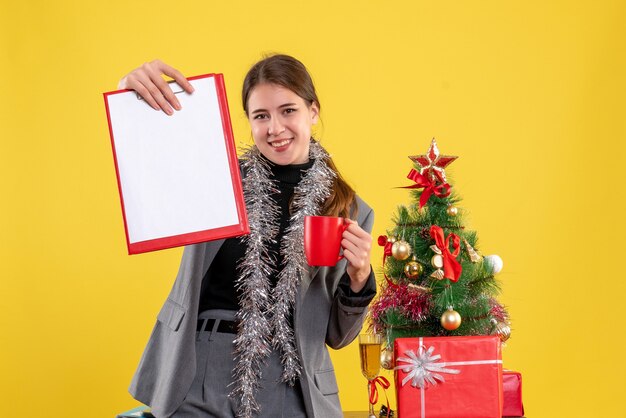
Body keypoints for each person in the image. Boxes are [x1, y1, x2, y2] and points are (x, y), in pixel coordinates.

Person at [118, 55, 376, 418]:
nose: (275, 128)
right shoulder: (216, 180)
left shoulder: (350, 209)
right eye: (261, 116)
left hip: (292, 378)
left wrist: (359, 277)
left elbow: (338, 335)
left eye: (288, 110)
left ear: (313, 111)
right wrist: (132, 96)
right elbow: (151, 170)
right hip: (202, 364)